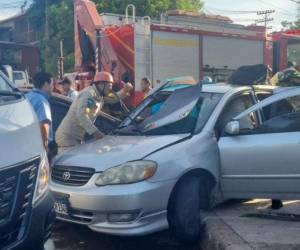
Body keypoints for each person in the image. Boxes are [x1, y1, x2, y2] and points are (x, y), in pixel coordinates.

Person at [55, 71, 133, 152]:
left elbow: (113, 99)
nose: (110, 89)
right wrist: (96, 132)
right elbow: (81, 114)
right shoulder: (89, 94)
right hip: (68, 138)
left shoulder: (98, 95)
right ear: (101, 84)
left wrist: (124, 91)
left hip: (75, 138)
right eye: (109, 86)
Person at [26, 72, 53, 152]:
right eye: (52, 84)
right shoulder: (42, 101)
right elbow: (44, 125)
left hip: (27, 145)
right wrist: (45, 147)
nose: (53, 88)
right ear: (46, 84)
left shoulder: (26, 97)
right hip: (38, 147)